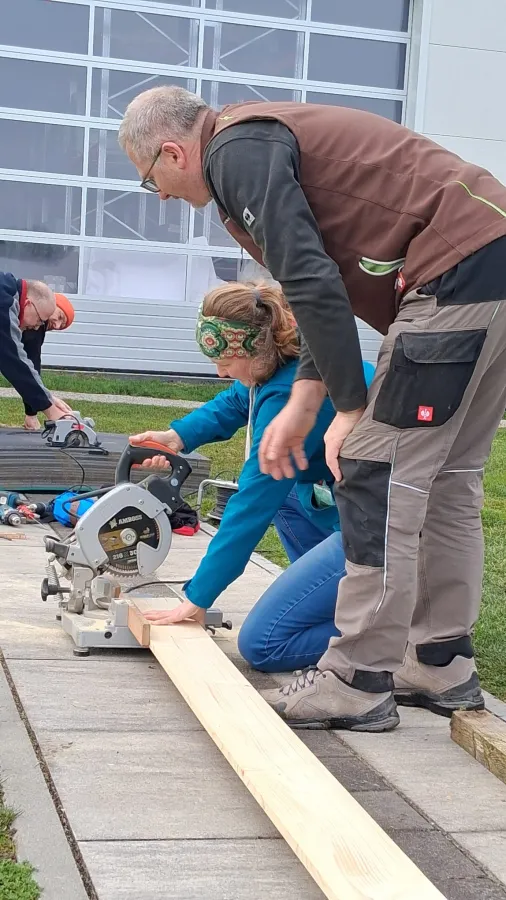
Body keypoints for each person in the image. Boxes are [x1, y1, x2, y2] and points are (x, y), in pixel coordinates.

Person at [119, 86, 506, 732]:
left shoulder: (233, 152)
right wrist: (309, 395)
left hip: (452, 273)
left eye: (148, 178)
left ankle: (356, 678)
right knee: (450, 480)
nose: (157, 195)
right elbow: (316, 290)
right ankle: (439, 661)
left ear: (172, 152)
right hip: (489, 260)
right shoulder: (258, 137)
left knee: (377, 473)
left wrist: (346, 407)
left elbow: (310, 278)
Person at [130, 280, 374, 670]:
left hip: (382, 528)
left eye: (225, 362)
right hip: (368, 510)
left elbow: (251, 506)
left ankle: (392, 631)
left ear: (254, 350)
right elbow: (234, 401)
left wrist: (198, 596)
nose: (219, 372)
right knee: (290, 498)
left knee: (264, 643)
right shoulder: (285, 364)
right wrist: (177, 437)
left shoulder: (288, 395)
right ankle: (348, 598)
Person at [0, 273, 71, 424]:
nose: (36, 327)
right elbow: (13, 360)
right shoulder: (5, 303)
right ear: (28, 304)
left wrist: (47, 397)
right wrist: (51, 410)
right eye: (39, 320)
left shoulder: (7, 289)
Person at [22, 293, 75, 430]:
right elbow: (30, 366)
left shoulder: (38, 326)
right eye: (60, 317)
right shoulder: (35, 327)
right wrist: (33, 414)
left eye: (61, 326)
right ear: (51, 303)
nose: (57, 326)